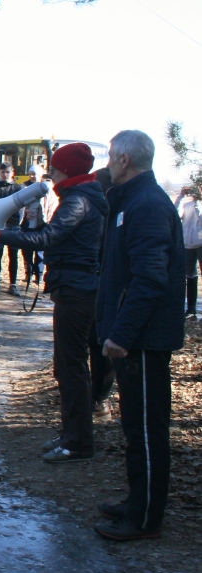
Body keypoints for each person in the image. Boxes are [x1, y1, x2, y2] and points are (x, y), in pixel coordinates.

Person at [0, 142, 107, 464]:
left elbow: (46, 240)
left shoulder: (77, 200)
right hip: (82, 286)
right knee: (74, 364)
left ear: (66, 168)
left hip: (76, 289)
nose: (51, 172)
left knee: (70, 366)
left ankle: (77, 442)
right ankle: (73, 434)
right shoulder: (88, 196)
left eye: (56, 166)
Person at [92, 130, 185, 541]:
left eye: (112, 156)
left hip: (144, 340)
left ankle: (145, 518)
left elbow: (150, 278)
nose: (108, 162)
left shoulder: (146, 205)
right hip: (135, 336)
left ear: (125, 160)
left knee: (147, 429)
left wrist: (122, 333)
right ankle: (136, 502)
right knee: (135, 426)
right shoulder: (131, 202)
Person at [0, 162, 23, 295]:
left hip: (13, 225)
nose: (5, 175)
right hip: (0, 225)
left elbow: (17, 205)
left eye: (7, 172)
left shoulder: (18, 187)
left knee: (13, 255)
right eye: (2, 172)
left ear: (12, 172)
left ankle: (13, 284)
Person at [180, 185, 201, 319]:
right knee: (190, 276)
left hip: (201, 243)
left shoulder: (200, 205)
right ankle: (191, 310)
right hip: (187, 245)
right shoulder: (187, 205)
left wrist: (199, 200)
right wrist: (181, 197)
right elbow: (176, 214)